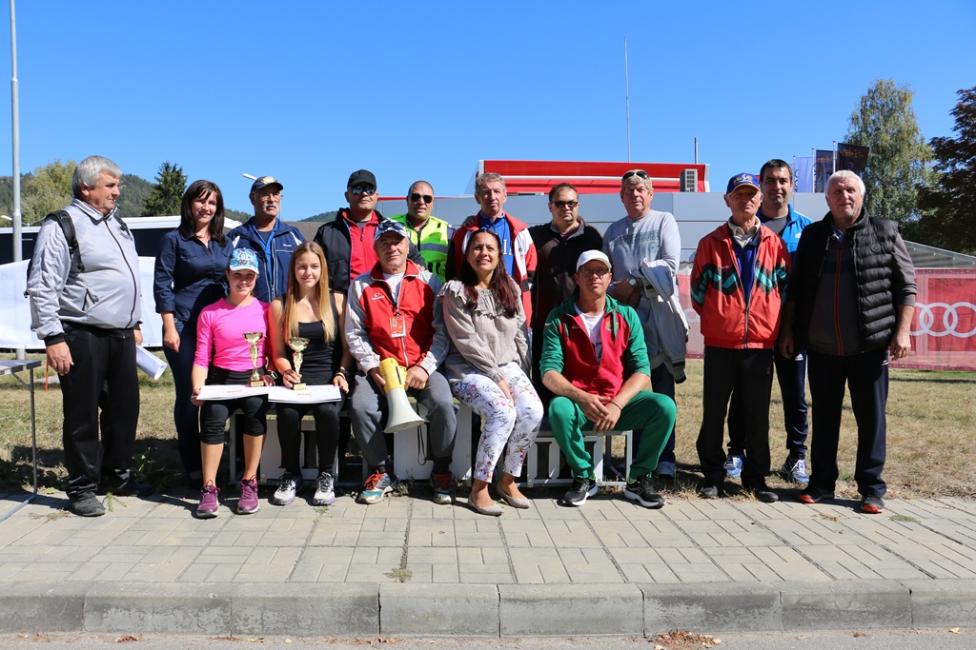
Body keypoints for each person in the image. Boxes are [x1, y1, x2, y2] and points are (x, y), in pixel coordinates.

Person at [780, 170, 916, 515]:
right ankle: (821, 484)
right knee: (825, 419)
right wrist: (790, 331)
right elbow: (795, 289)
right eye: (837, 191)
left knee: (872, 420)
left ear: (861, 195)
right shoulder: (813, 236)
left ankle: (871, 489)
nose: (845, 196)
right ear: (827, 199)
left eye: (851, 190)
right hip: (822, 348)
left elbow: (906, 286)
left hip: (869, 346)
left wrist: (902, 331)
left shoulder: (886, 231)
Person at [26, 155, 145, 516]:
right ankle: (81, 486)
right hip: (81, 333)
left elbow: (125, 277)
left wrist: (135, 322)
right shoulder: (63, 225)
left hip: (121, 334)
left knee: (124, 409)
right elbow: (43, 285)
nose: (117, 192)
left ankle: (115, 475)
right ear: (86, 187)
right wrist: (52, 337)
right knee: (82, 414)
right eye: (110, 185)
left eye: (118, 185)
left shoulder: (117, 224)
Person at [540, 250, 676, 508]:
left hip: (617, 406)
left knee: (664, 406)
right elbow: (549, 373)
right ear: (577, 277)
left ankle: (638, 479)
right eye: (588, 271)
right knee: (559, 408)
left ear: (609, 278)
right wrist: (582, 398)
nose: (595, 276)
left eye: (601, 271)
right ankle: (584, 477)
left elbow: (642, 370)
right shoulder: (559, 317)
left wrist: (617, 404)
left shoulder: (626, 315)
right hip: (581, 407)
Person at [691, 173, 790, 503]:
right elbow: (698, 294)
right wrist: (722, 317)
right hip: (720, 343)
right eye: (739, 195)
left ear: (760, 200)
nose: (745, 200)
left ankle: (756, 478)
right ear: (727, 200)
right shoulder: (710, 243)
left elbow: (785, 291)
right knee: (714, 412)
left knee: (757, 414)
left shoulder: (774, 244)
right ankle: (713, 476)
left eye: (751, 194)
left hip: (760, 344)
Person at [345, 220, 457, 505]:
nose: (391, 248)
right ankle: (381, 471)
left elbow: (442, 332)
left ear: (407, 246)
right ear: (375, 248)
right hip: (381, 368)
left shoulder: (430, 282)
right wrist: (372, 367)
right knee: (361, 406)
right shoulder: (360, 285)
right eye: (384, 243)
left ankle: (441, 470)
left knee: (444, 404)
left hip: (422, 366)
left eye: (397, 242)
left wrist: (425, 367)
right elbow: (354, 333)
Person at [442, 229, 543, 516]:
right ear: (467, 255)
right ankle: (479, 488)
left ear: (499, 255)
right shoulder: (456, 290)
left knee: (532, 410)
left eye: (490, 248)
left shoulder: (510, 288)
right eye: (477, 248)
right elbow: (466, 341)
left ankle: (507, 480)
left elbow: (521, 333)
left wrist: (523, 373)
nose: (484, 253)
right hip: (467, 368)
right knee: (502, 411)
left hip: (507, 366)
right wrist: (497, 377)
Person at [726, 160, 812, 485]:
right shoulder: (745, 223)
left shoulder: (807, 229)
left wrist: (792, 327)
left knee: (795, 395)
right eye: (771, 181)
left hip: (792, 329)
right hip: (752, 330)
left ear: (792, 185)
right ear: (761, 186)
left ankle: (796, 456)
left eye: (783, 181)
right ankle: (737, 451)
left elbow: (804, 284)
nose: (777, 187)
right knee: (744, 393)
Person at [602, 169, 685, 480]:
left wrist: (635, 283)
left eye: (641, 189)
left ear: (651, 194)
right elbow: (605, 275)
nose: (635, 194)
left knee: (661, 391)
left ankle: (664, 458)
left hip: (658, 320)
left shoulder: (664, 221)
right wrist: (618, 290)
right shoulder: (613, 231)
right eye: (629, 190)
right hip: (624, 324)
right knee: (630, 391)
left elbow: (670, 265)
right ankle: (633, 458)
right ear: (621, 197)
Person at [153, 180, 234, 485]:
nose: (206, 207)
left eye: (212, 203)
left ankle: (216, 460)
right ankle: (192, 466)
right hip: (184, 326)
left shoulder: (224, 242)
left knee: (217, 395)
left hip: (218, 329)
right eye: (200, 201)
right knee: (191, 395)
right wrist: (169, 326)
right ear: (189, 204)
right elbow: (162, 284)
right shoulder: (173, 241)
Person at [190, 248, 273, 518]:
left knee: (255, 413)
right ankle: (209, 487)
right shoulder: (210, 313)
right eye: (238, 274)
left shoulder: (266, 310)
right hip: (221, 378)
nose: (243, 281)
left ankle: (250, 481)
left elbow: (275, 351)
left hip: (254, 378)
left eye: (249, 275)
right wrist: (198, 387)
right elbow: (201, 356)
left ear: (256, 278)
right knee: (212, 418)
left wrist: (271, 373)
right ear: (228, 274)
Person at [268, 242, 351, 507]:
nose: (308, 272)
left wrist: (341, 372)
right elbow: (278, 352)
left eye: (314, 266)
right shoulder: (280, 304)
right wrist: (286, 371)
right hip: (296, 382)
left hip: (328, 379)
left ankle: (326, 475)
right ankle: (291, 474)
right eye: (302, 266)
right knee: (287, 414)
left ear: (322, 268)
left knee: (327, 413)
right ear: (293, 269)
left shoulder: (337, 300)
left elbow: (347, 349)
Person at [528, 184, 602, 400]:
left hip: (582, 324)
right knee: (545, 382)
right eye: (560, 203)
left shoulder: (592, 237)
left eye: (571, 203)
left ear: (578, 205)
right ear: (550, 206)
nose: (566, 208)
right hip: (545, 324)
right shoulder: (535, 236)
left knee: (580, 384)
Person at [314, 169, 425, 295]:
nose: (364, 193)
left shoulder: (392, 230)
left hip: (384, 302)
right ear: (347, 196)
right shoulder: (327, 233)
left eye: (370, 189)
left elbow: (417, 261)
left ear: (376, 196)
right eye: (357, 189)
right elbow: (312, 268)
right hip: (341, 303)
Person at [447, 173, 537, 324]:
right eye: (486, 192)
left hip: (512, 305)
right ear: (477, 198)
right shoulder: (464, 234)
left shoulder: (520, 231)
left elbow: (530, 271)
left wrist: (519, 296)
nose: (492, 196)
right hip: (475, 306)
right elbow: (454, 272)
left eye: (496, 191)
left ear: (505, 196)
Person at [228, 175, 304, 303]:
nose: (271, 199)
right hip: (251, 313)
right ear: (252, 198)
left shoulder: (293, 236)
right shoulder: (236, 237)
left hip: (288, 311)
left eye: (275, 194)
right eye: (265, 194)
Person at [390, 180, 454, 282]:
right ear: (407, 200)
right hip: (400, 290)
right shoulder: (391, 225)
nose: (421, 202)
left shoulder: (448, 231)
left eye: (427, 198)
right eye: (416, 197)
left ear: (433, 202)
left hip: (437, 290)